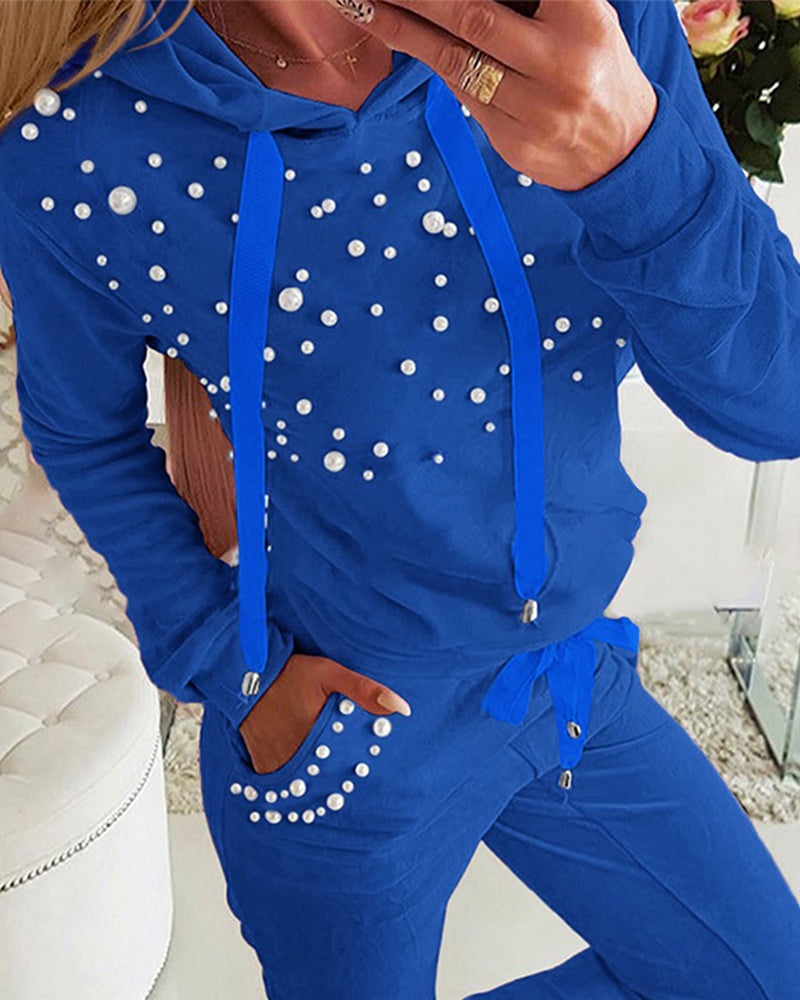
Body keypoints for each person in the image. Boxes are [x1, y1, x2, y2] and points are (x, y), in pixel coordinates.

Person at [1, 1, 799, 996]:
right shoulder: (77, 131)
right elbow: (85, 431)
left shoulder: (590, 24)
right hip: (340, 737)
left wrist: (638, 166)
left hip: (561, 672)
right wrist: (233, 671)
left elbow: (779, 405)